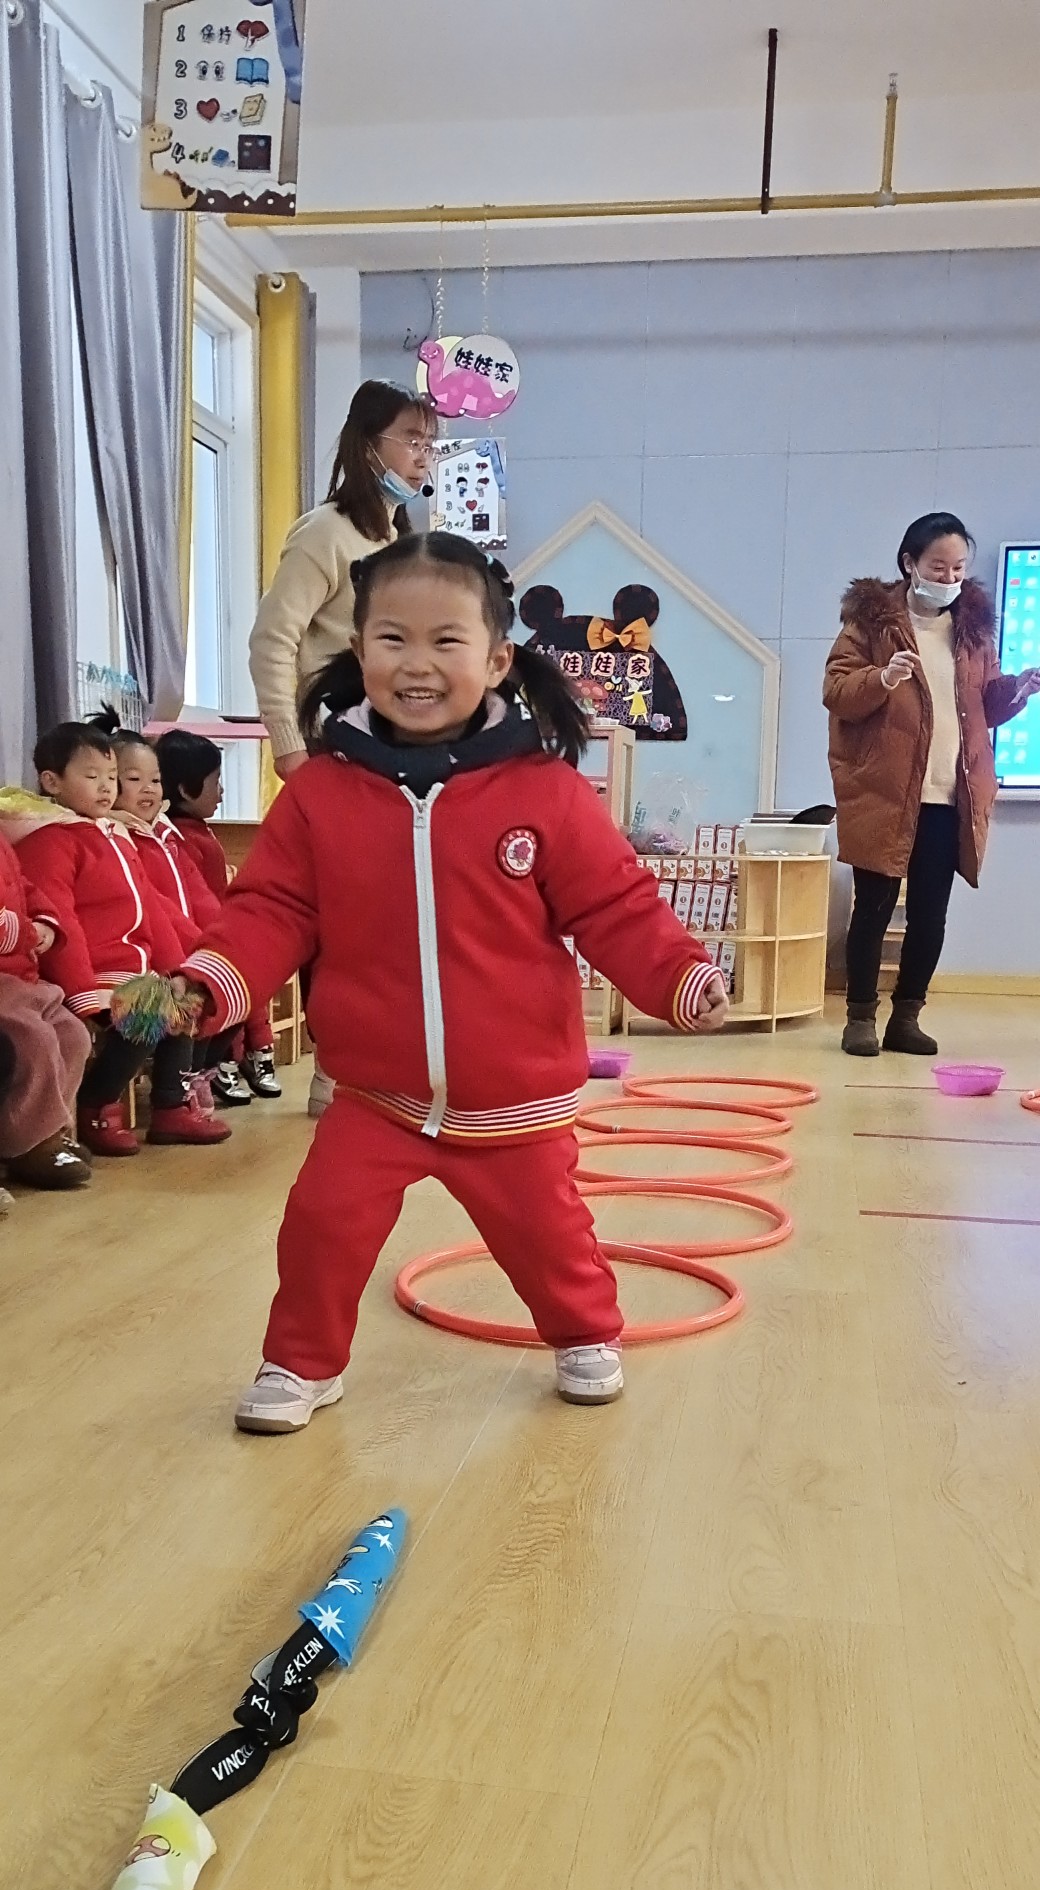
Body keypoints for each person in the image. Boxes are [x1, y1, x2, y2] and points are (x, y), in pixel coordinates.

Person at [177, 532, 730, 1435]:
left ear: (497, 659)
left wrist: (680, 976)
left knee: (548, 1236)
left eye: (446, 641)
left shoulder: (546, 791)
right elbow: (270, 908)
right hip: (375, 1093)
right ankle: (301, 1362)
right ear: (359, 652)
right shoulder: (320, 795)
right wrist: (212, 979)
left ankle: (585, 1332)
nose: (417, 664)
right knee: (320, 1224)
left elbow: (617, 907)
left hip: (514, 1097)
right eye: (392, 639)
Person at [248, 377, 438, 1115]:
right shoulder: (323, 532)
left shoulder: (399, 541)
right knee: (340, 913)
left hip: (396, 754)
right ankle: (337, 1072)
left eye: (430, 443)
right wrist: (289, 746)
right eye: (412, 440)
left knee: (394, 911)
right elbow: (273, 641)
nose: (423, 455)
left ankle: (379, 1061)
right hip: (332, 747)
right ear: (369, 445)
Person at [825, 512, 1040, 1056]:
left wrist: (1017, 690)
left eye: (959, 568)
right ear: (909, 563)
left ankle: (907, 1017)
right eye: (938, 567)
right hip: (884, 792)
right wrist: (882, 677)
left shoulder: (971, 631)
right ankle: (860, 1018)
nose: (949, 578)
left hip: (948, 796)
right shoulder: (872, 623)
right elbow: (837, 691)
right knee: (873, 909)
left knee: (930, 914)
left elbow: (982, 707)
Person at [10, 724, 229, 1153]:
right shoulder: (51, 841)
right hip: (94, 971)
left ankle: (171, 1105)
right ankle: (96, 1104)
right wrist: (82, 991)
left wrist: (180, 967)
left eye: (110, 777)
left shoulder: (114, 835)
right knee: (144, 1016)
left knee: (182, 1001)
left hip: (134, 969)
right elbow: (60, 921)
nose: (105, 787)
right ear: (52, 782)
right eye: (92, 776)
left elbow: (151, 910)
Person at [155, 728, 280, 1105]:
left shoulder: (197, 833)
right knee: (233, 981)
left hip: (216, 928)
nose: (221, 791)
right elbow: (190, 901)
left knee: (252, 972)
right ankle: (230, 1059)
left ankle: (251, 1052)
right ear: (185, 788)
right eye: (215, 782)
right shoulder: (180, 838)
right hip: (199, 937)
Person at [0, 823, 92, 1190]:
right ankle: (28, 1142)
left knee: (73, 1035)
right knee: (33, 1039)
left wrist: (45, 921)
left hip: (23, 974)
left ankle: (52, 1130)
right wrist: (26, 932)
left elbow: (24, 887)